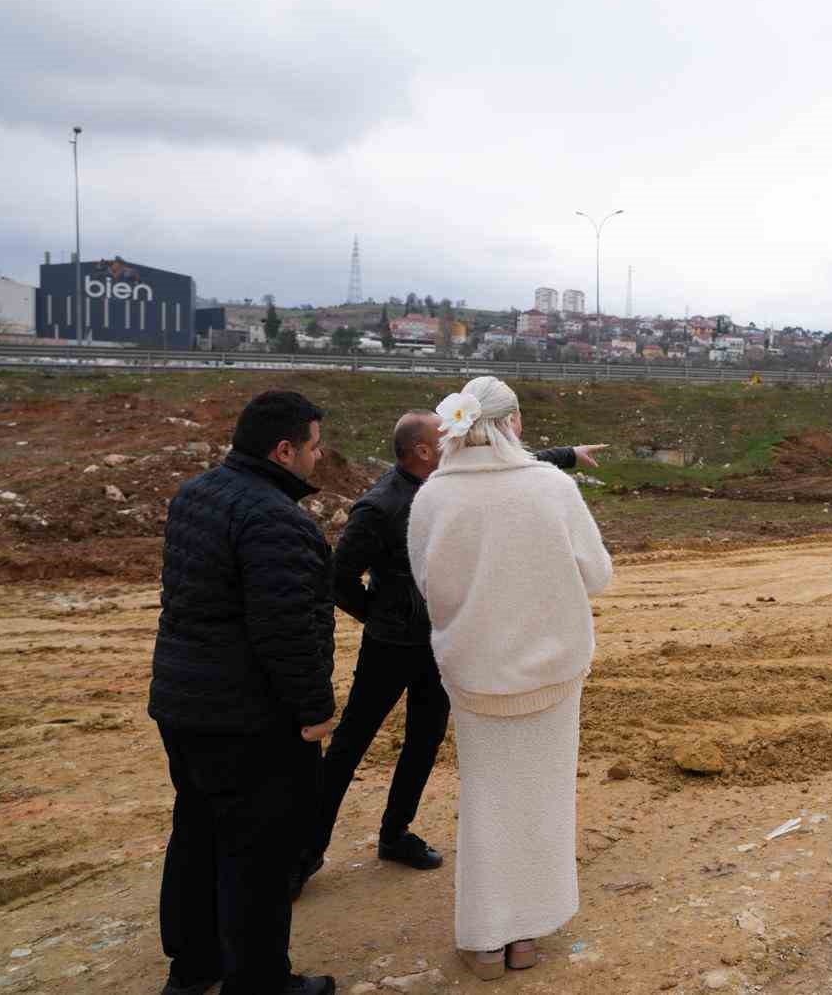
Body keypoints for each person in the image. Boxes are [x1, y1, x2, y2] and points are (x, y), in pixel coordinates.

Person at [293, 410, 606, 897]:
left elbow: (506, 468)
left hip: (441, 643)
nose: (462, 439)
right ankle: (304, 853)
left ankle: (395, 834)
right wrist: (382, 617)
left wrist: (567, 456)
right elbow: (338, 578)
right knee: (352, 742)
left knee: (424, 739)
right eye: (446, 436)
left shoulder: (451, 482)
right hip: (389, 647)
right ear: (421, 450)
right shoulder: (379, 506)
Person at [406, 377, 611, 980]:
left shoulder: (433, 497)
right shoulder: (551, 486)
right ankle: (529, 933)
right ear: (513, 423)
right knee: (545, 798)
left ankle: (486, 937)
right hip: (552, 673)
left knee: (486, 797)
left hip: (473, 675)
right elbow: (596, 575)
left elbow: (427, 586)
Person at [148, 390, 337, 995]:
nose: (319, 456)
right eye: (312, 446)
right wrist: (314, 710)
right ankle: (259, 982)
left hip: (182, 705)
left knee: (198, 830)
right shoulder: (277, 520)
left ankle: (193, 967)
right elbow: (285, 630)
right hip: (248, 719)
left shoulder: (194, 494)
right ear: (284, 450)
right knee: (258, 853)